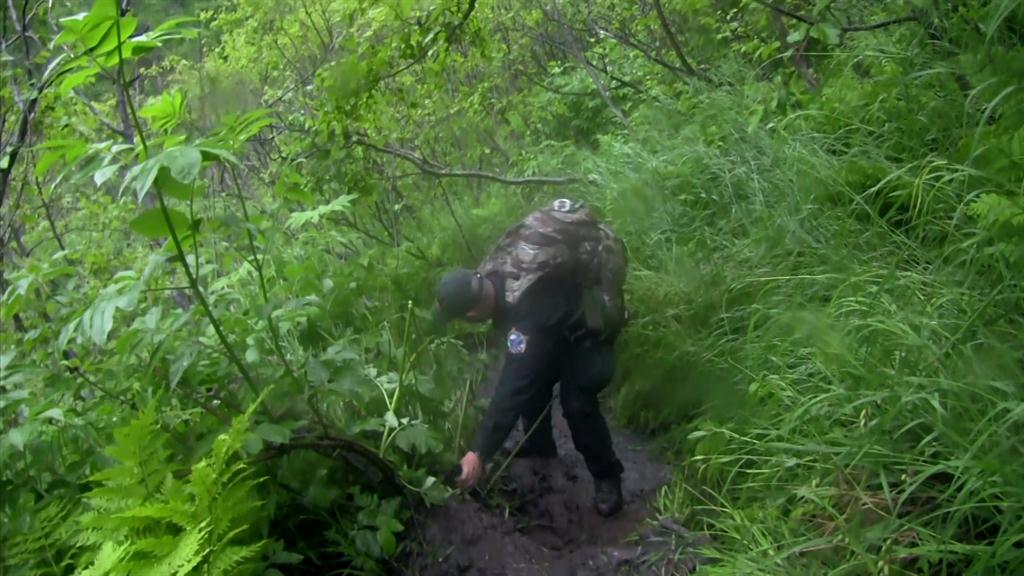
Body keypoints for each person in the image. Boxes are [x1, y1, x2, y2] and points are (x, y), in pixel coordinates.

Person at [432, 198, 627, 517]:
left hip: (587, 320)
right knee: (532, 373)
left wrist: (478, 453)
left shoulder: (527, 308)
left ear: (471, 313)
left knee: (577, 402)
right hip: (556, 309)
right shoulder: (488, 275)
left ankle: (608, 476)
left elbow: (514, 383)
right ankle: (539, 446)